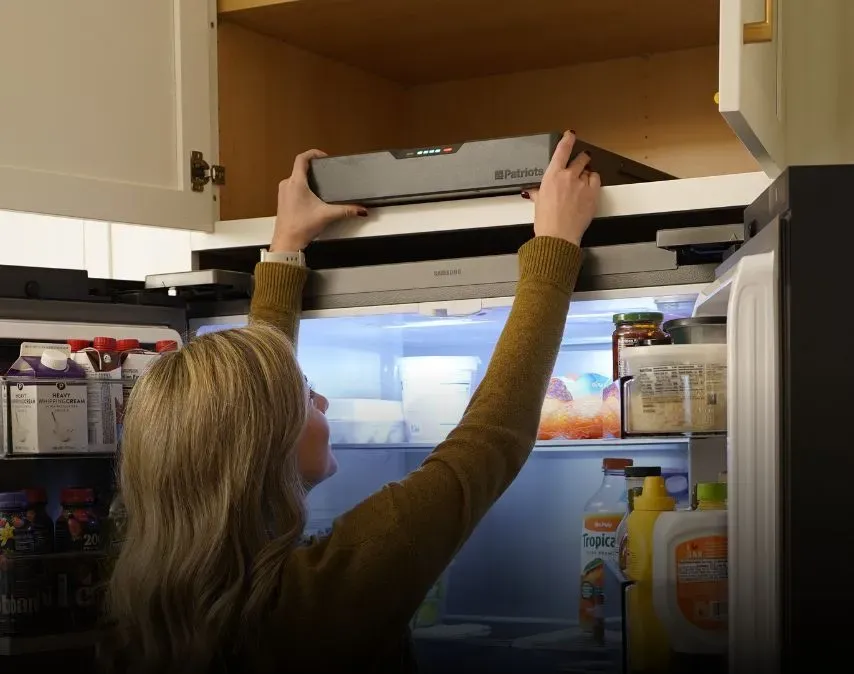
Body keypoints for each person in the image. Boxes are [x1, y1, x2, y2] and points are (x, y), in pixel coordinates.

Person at [102, 130, 600, 674]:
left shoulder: (145, 607)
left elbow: (245, 400)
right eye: (304, 396)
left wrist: (285, 248)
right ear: (264, 446)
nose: (322, 399)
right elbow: (489, 440)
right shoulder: (335, 583)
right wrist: (554, 250)